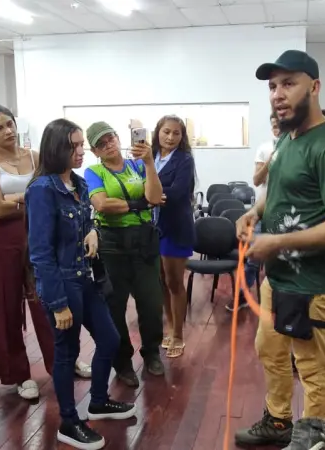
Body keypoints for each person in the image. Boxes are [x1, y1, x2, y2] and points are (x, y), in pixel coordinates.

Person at [234, 50, 325, 447]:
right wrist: (253, 214)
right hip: (280, 276)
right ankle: (278, 422)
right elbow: (278, 194)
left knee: (311, 366)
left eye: (289, 83)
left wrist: (278, 241)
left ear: (315, 86)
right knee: (269, 350)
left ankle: (313, 440)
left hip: (314, 282)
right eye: (273, 86)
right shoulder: (288, 141)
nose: (277, 94)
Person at [26, 118, 136, 450]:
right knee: (67, 352)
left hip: (87, 279)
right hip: (63, 284)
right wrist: (57, 303)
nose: (80, 151)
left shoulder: (78, 183)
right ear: (55, 148)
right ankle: (69, 423)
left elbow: (89, 221)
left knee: (110, 339)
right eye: (72, 146)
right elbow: (41, 252)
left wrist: (92, 231)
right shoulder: (43, 189)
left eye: (80, 145)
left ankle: (98, 400)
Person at [0, 104, 60, 401]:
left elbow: (50, 195)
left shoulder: (34, 156)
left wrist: (17, 199)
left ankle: (60, 362)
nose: (8, 131)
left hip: (36, 234)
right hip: (1, 240)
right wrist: (30, 199)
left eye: (9, 124)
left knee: (46, 300)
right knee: (6, 306)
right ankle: (19, 374)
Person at [84, 121, 165, 386]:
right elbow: (102, 204)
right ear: (95, 151)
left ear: (119, 138)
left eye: (111, 138)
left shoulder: (139, 166)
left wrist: (150, 163)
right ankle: (123, 362)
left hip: (144, 244)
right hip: (113, 247)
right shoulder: (93, 172)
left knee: (151, 304)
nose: (108, 145)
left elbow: (155, 197)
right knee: (115, 308)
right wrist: (137, 203)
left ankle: (152, 353)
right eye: (101, 143)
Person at [151, 115, 196, 358]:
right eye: (166, 132)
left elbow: (178, 193)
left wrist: (149, 193)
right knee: (161, 283)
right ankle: (170, 327)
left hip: (176, 228)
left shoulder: (184, 160)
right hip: (154, 228)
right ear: (157, 132)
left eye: (176, 133)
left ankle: (178, 334)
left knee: (175, 283)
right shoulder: (151, 157)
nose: (170, 137)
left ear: (182, 136)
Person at [228, 112, 281, 312]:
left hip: (285, 213)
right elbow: (257, 180)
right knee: (253, 257)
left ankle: (276, 298)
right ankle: (243, 295)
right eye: (274, 126)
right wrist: (271, 160)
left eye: (281, 126)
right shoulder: (265, 149)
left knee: (279, 258)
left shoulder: (297, 148)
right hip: (263, 210)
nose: (278, 130)